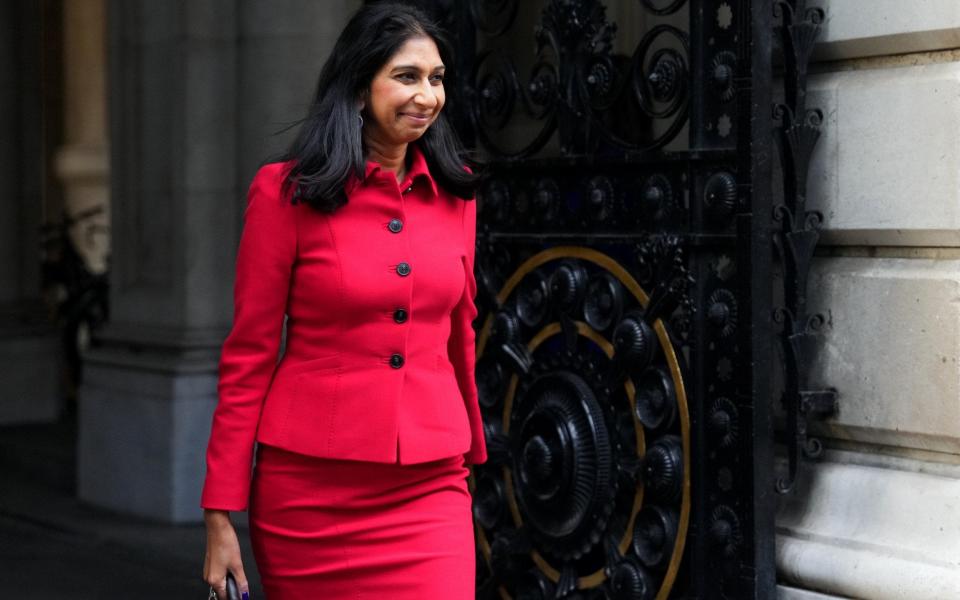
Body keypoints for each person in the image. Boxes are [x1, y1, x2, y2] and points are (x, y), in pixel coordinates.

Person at [200, 3, 487, 598]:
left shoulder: (457, 194)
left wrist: (471, 454)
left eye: (436, 79)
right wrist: (220, 511)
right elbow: (249, 354)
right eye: (406, 77)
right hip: (309, 496)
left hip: (429, 488)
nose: (427, 95)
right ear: (360, 88)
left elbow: (460, 331)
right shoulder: (285, 195)